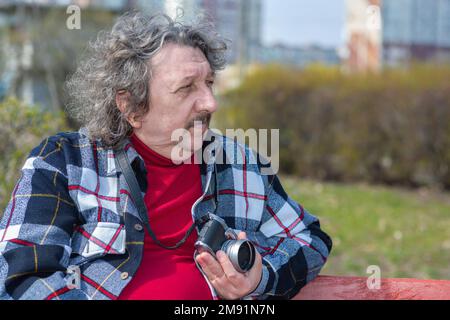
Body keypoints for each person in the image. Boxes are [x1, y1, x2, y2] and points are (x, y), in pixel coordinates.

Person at [0, 11, 332, 300]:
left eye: (210, 84)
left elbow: (310, 240)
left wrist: (261, 278)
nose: (210, 103)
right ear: (130, 106)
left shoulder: (241, 165)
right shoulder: (64, 162)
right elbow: (22, 276)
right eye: (187, 88)